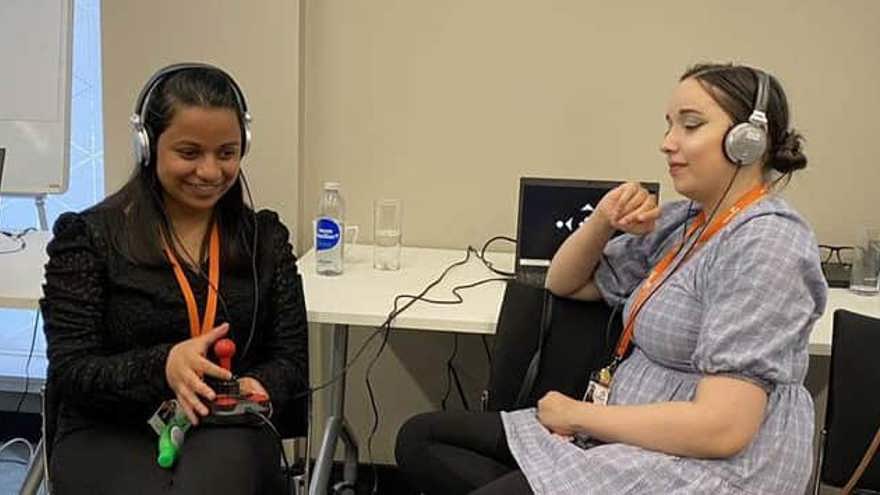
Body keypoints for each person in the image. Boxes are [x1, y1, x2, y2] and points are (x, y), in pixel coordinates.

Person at [395, 63, 827, 495]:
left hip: (707, 468)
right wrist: (602, 220)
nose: (667, 143)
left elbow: (723, 430)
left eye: (690, 125)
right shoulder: (686, 223)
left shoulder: (769, 244)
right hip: (628, 435)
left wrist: (577, 416)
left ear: (748, 142)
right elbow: (563, 282)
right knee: (422, 438)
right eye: (669, 125)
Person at [40, 63, 308, 494]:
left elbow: (291, 364)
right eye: (189, 152)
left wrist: (259, 385)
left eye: (227, 153)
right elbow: (74, 370)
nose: (210, 171)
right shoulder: (89, 238)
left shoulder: (264, 241)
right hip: (112, 425)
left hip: (225, 424)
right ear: (147, 146)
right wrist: (164, 365)